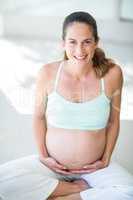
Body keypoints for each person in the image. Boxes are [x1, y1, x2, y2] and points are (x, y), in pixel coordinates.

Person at [0, 11, 133, 200]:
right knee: (3, 179)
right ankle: (74, 189)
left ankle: (64, 197)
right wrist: (44, 156)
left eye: (87, 41)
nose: (80, 50)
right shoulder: (47, 73)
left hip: (93, 169)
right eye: (73, 42)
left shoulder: (112, 74)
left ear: (96, 42)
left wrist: (106, 158)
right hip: (53, 165)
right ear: (63, 43)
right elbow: (38, 117)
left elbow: (113, 121)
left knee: (129, 191)